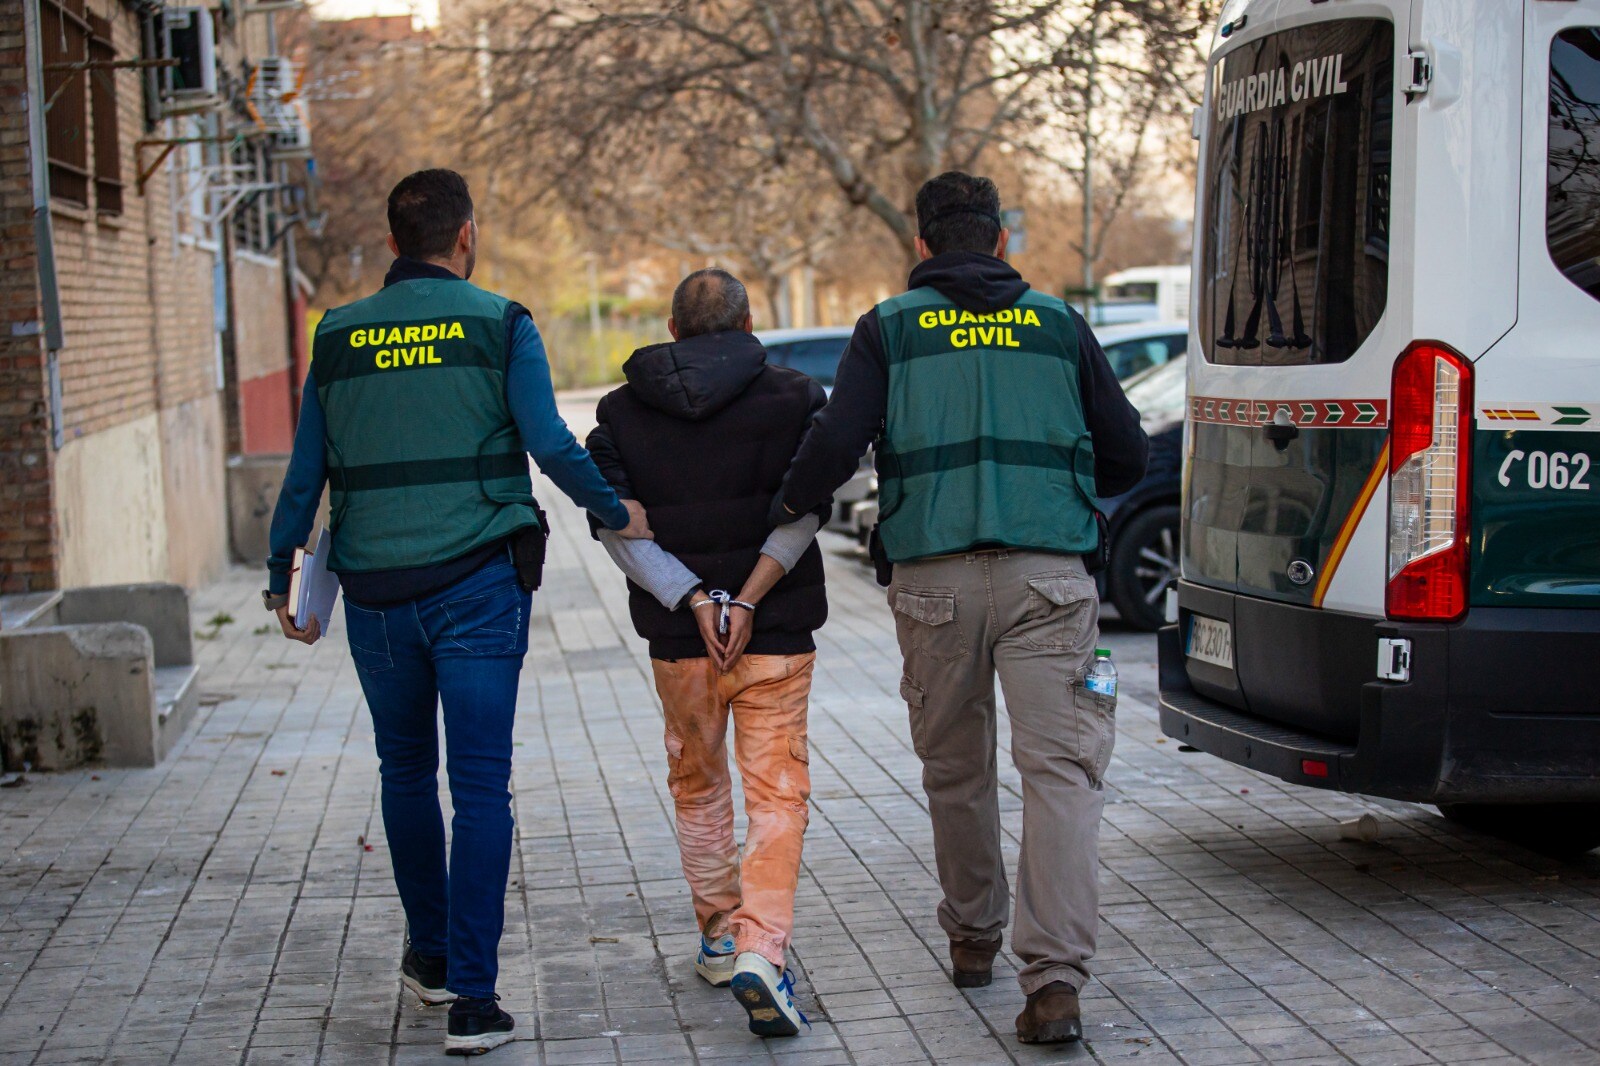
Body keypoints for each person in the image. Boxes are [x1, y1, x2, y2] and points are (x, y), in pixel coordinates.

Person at [262, 169, 651, 1056]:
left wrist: (279, 576)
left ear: (394, 239)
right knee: (480, 786)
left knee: (405, 774)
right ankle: (475, 1001)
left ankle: (431, 961)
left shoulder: (337, 333)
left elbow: (305, 469)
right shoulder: (500, 321)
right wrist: (611, 507)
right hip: (478, 582)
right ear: (465, 235)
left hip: (377, 595)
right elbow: (547, 438)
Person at [769, 172, 1149, 1045]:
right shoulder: (1058, 325)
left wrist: (787, 506)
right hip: (1051, 583)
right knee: (1061, 776)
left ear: (921, 242)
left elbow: (834, 441)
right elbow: (1125, 450)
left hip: (933, 584)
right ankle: (1052, 979)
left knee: (956, 768)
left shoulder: (890, 329)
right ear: (1003, 239)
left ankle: (974, 937)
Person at [585, 269, 828, 1038]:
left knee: (697, 785)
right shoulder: (794, 398)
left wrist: (692, 599)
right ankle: (764, 950)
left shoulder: (620, 412)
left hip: (679, 640)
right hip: (775, 632)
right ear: (749, 322)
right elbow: (808, 504)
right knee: (777, 795)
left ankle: (721, 936)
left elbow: (615, 527)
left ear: (671, 327)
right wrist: (748, 596)